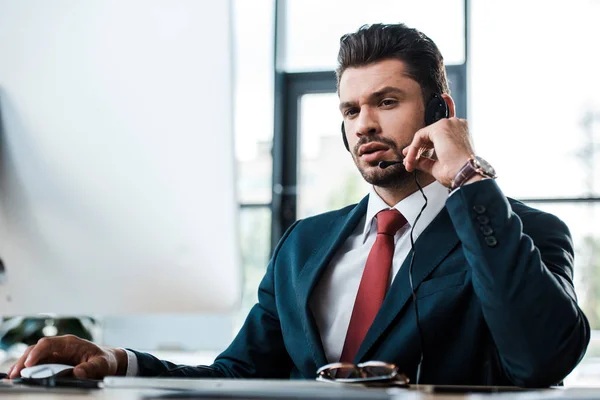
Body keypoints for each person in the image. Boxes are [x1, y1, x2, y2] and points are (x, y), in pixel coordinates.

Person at [7, 23, 590, 387]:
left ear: (441, 109)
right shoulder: (304, 245)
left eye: (386, 101)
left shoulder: (525, 231)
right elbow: (239, 374)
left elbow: (539, 361)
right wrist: (119, 362)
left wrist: (467, 178)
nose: (365, 125)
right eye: (350, 110)